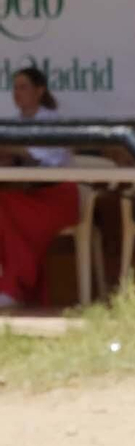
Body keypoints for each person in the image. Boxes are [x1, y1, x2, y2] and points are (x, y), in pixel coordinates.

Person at [0, 67, 76, 308]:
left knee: (6, 206)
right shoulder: (11, 123)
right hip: (25, 195)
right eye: (15, 88)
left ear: (39, 90)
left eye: (23, 87)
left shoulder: (53, 120)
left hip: (57, 197)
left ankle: (15, 285)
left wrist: (11, 150)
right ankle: (12, 285)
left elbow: (43, 156)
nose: (17, 93)